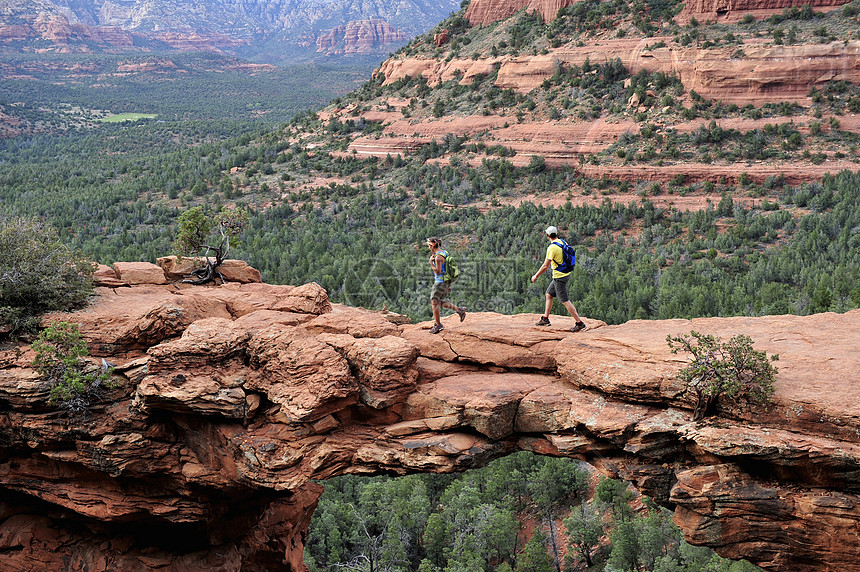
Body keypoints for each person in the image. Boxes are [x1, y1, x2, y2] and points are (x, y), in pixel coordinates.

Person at [530, 225, 586, 332]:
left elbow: (545, 266)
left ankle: (579, 323)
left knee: (565, 301)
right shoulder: (562, 242)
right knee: (549, 294)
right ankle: (545, 319)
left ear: (547, 235)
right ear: (557, 234)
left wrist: (536, 275)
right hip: (565, 273)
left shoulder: (552, 248)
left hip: (559, 277)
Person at [426, 237, 466, 334]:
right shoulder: (444, 252)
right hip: (445, 282)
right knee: (438, 302)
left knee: (434, 301)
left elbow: (438, 272)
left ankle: (438, 325)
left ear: (433, 245)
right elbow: (446, 269)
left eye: (429, 246)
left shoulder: (438, 257)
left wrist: (431, 263)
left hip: (440, 282)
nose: (429, 248)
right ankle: (459, 310)